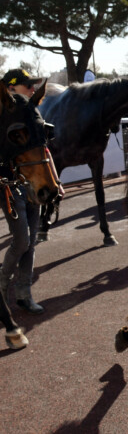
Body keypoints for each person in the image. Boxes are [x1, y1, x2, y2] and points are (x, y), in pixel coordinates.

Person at [0, 68, 62, 315]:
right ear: (11, 88)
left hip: (31, 183)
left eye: (34, 85)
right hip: (8, 185)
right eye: (28, 85)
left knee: (31, 241)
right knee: (22, 240)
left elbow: (43, 151)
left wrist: (55, 181)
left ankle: (24, 294)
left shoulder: (31, 111)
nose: (33, 89)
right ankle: (3, 288)